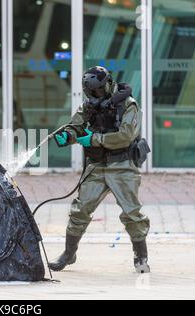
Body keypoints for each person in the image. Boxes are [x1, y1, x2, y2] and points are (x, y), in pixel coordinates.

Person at [49, 66, 151, 274]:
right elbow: (75, 126)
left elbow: (126, 136)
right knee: (80, 210)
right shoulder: (88, 106)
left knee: (132, 213)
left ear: (108, 84)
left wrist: (94, 139)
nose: (96, 95)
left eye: (98, 90)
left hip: (122, 165)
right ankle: (69, 254)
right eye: (92, 92)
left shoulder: (128, 105)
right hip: (96, 165)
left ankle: (141, 257)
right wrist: (67, 136)